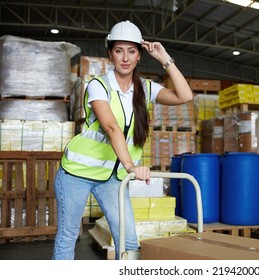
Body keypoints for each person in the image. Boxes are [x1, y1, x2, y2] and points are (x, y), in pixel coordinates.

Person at [52, 20, 193, 260]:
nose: (125, 58)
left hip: (111, 179)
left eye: (131, 51)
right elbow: (111, 127)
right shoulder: (99, 86)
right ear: (110, 54)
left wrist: (165, 58)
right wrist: (131, 166)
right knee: (68, 235)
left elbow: (185, 95)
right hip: (76, 173)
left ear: (139, 55)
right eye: (119, 50)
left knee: (127, 241)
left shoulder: (145, 89)